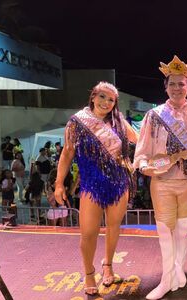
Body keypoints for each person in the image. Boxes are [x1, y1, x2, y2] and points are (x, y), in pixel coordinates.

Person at [134, 55, 187, 300]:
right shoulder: (154, 115)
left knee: (184, 231)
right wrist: (144, 165)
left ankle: (177, 271)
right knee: (165, 231)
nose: (177, 88)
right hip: (163, 182)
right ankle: (166, 279)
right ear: (166, 87)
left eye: (182, 83)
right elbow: (143, 149)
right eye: (172, 83)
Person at [54, 82, 138, 296]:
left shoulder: (119, 121)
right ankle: (89, 273)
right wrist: (59, 183)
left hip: (119, 182)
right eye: (102, 97)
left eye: (111, 100)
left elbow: (139, 139)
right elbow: (67, 153)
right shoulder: (77, 122)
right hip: (91, 184)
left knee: (113, 226)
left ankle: (108, 265)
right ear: (93, 97)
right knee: (88, 232)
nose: (106, 102)